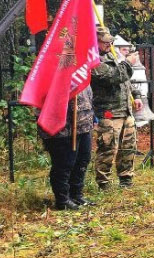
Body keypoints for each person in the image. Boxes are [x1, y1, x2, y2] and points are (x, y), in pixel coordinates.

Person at [38, 74, 94, 209]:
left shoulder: (81, 68)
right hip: (61, 128)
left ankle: (76, 195)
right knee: (65, 164)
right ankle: (62, 200)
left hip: (82, 124)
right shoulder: (51, 69)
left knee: (83, 159)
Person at [92, 28, 139, 189]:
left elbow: (124, 80)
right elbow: (113, 77)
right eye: (104, 41)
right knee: (108, 148)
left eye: (110, 40)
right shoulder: (93, 60)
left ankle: (126, 179)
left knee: (128, 147)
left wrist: (136, 95)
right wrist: (128, 63)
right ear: (94, 40)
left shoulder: (111, 54)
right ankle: (103, 183)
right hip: (109, 112)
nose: (109, 43)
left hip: (125, 110)